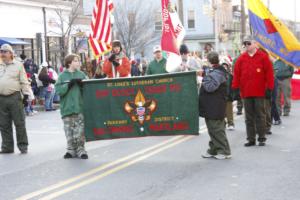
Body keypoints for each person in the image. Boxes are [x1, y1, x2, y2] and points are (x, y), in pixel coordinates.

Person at [232, 36, 274, 147]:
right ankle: (251, 139)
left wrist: (269, 88)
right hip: (246, 92)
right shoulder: (241, 59)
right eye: (244, 44)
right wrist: (235, 88)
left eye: (248, 43)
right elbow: (236, 75)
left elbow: (269, 74)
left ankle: (261, 137)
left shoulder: (264, 57)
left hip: (260, 92)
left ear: (255, 44)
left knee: (260, 115)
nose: (246, 46)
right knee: (248, 117)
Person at [55, 54, 88, 159]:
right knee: (68, 131)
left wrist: (83, 85)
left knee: (80, 132)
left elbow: (89, 89)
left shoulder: (82, 75)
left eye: (78, 60)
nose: (78, 62)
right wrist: (68, 85)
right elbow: (58, 90)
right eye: (76, 61)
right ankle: (71, 150)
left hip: (79, 107)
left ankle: (81, 150)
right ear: (69, 63)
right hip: (67, 108)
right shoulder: (62, 76)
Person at [199, 52, 231, 160]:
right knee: (212, 128)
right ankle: (213, 149)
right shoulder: (214, 71)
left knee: (217, 128)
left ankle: (224, 151)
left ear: (209, 61)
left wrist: (203, 81)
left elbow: (211, 87)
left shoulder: (218, 73)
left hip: (216, 105)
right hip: (211, 105)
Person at [0, 44, 31, 154]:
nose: (2, 54)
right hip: (1, 99)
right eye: (1, 51)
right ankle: (7, 147)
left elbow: (24, 81)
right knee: (3, 124)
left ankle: (23, 146)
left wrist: (26, 95)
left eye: (5, 51)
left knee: (19, 122)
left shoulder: (18, 65)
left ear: (10, 53)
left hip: (14, 97)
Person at [221, 56, 235, 131]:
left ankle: (231, 123)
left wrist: (233, 95)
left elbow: (233, 86)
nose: (224, 68)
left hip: (228, 96)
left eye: (226, 66)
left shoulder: (230, 76)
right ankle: (223, 123)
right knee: (222, 111)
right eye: (223, 66)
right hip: (221, 96)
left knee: (229, 111)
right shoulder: (219, 76)